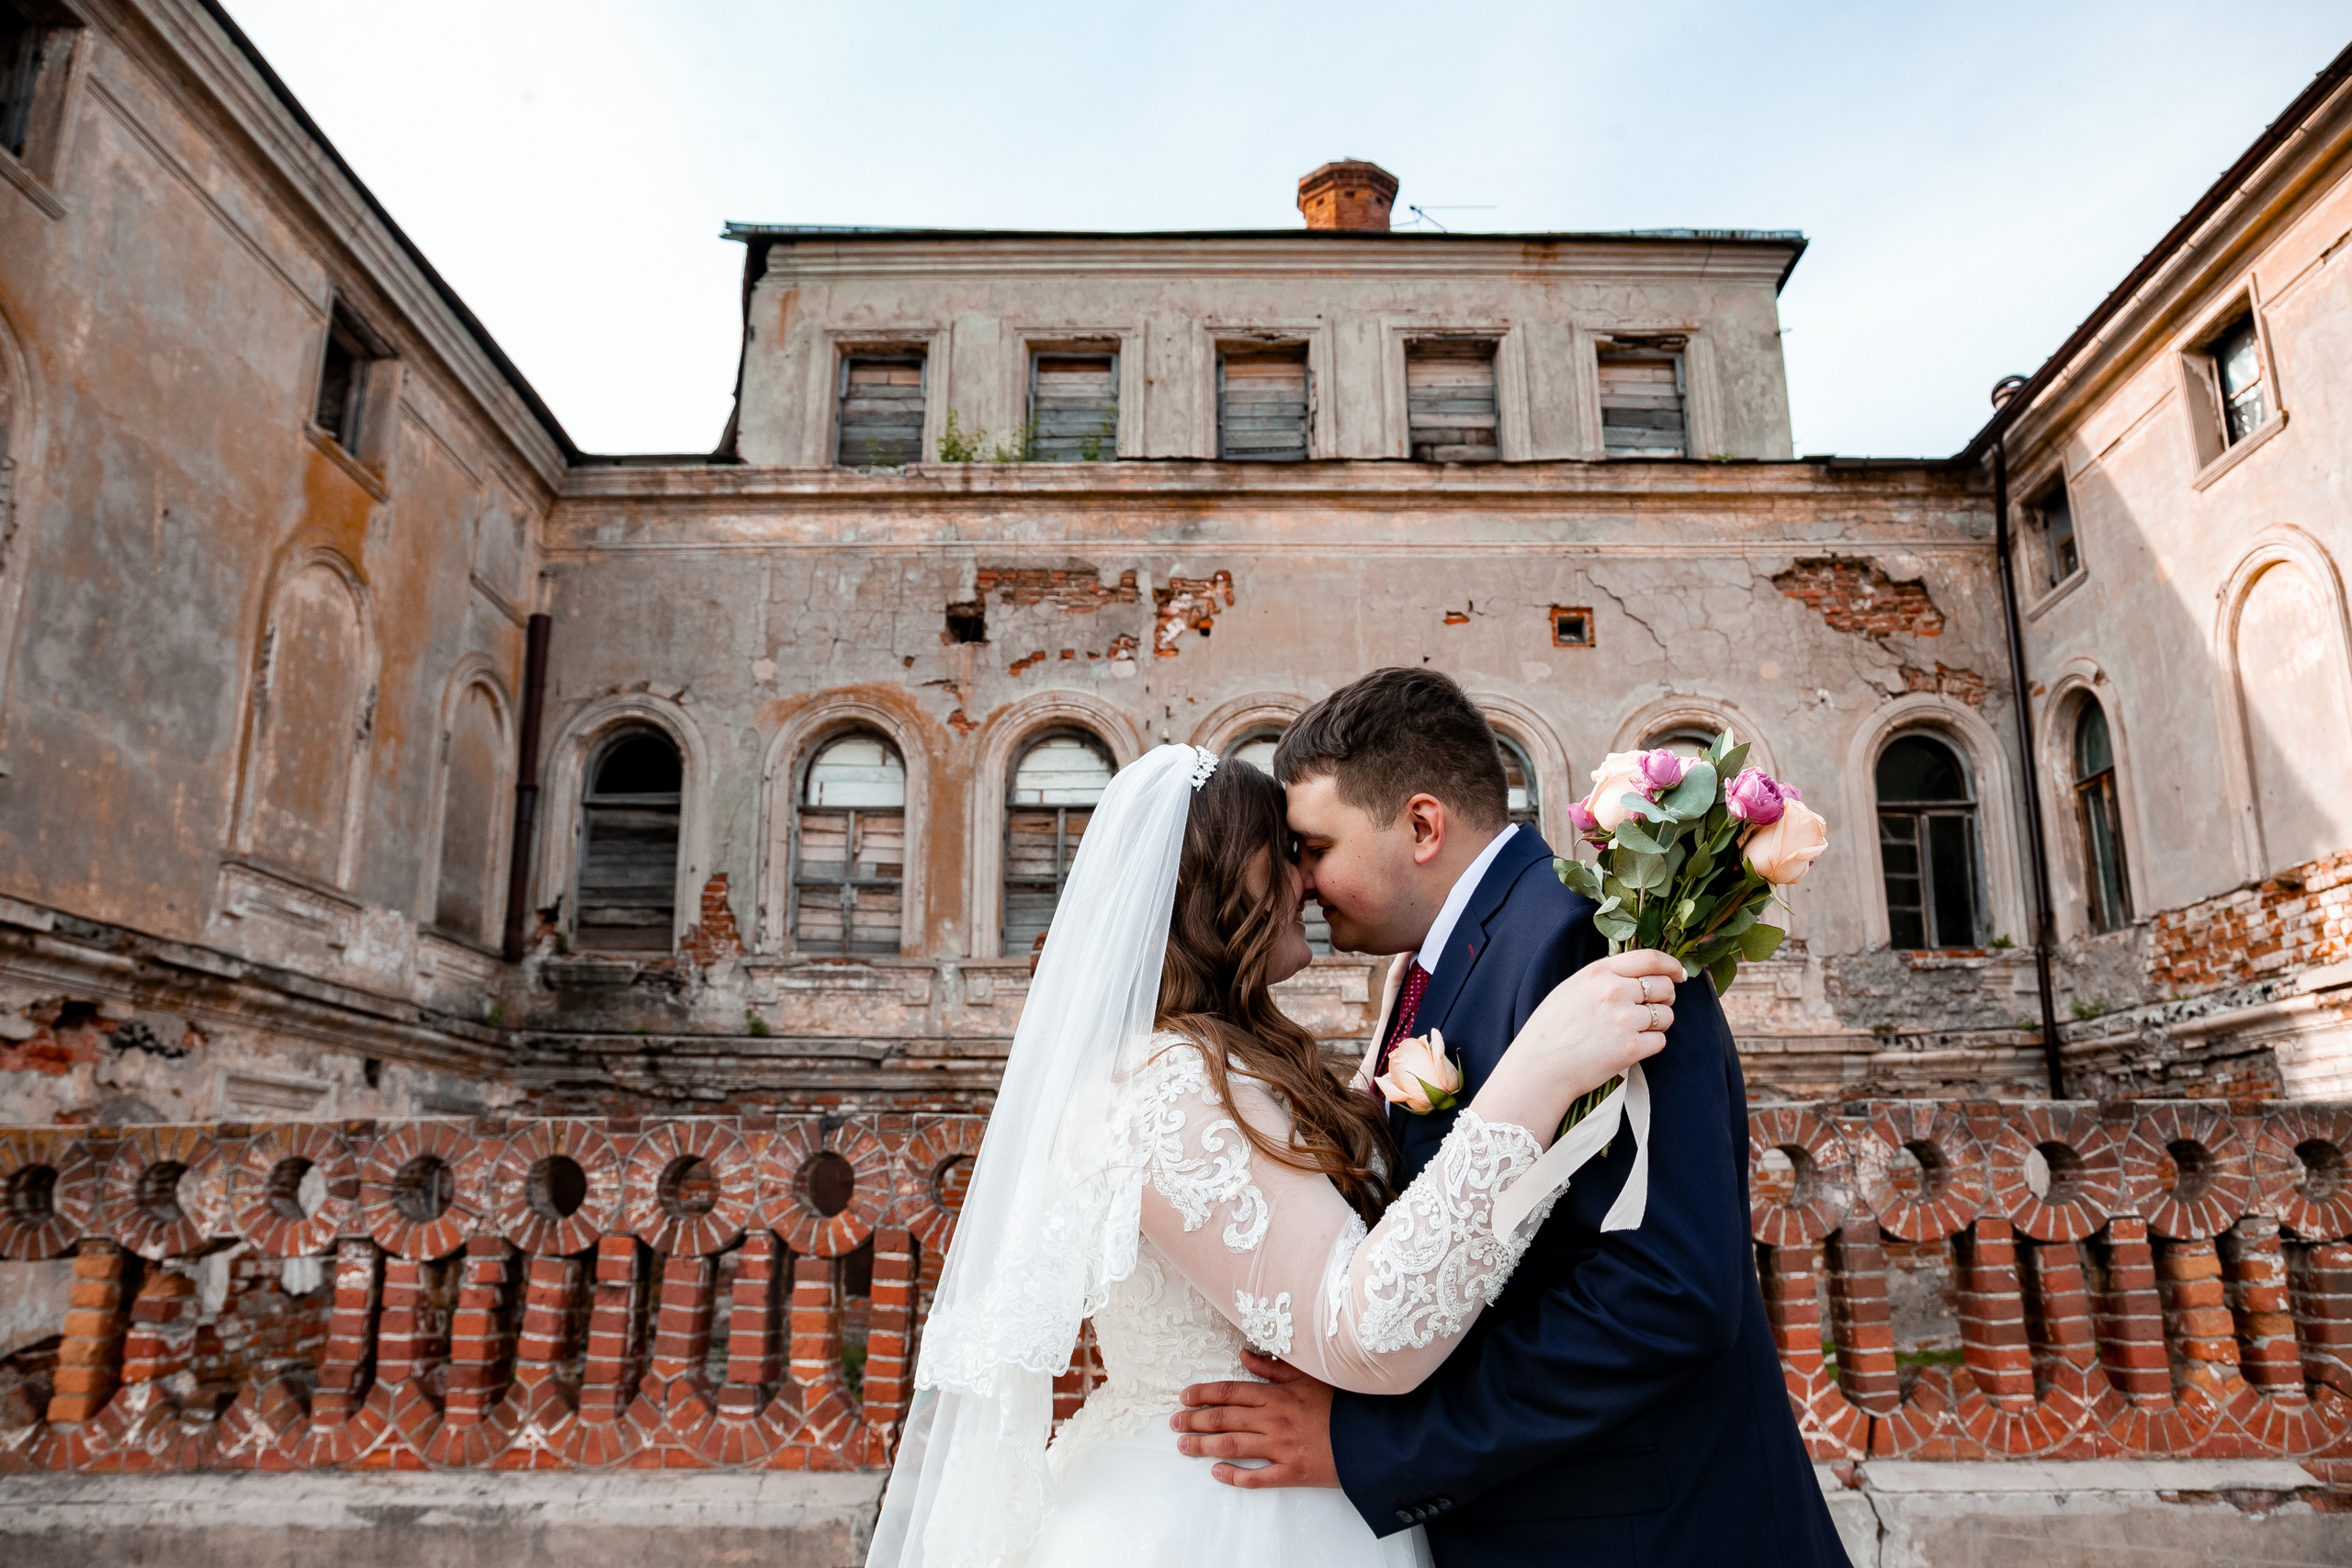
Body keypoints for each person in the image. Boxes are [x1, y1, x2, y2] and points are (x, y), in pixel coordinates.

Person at [866, 739, 1683, 1568]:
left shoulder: (1223, 1063)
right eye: (1288, 854)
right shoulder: (1160, 1084)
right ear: (1225, 880)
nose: (1308, 880)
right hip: (1208, 1512)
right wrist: (1538, 1074)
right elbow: (1366, 1328)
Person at [1170, 669, 1849, 1566]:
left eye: (1313, 846)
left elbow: (1664, 1290)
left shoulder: (1584, 939)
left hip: (1643, 1532)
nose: (1298, 882)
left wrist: (1374, 1444)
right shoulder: (1432, 968)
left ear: (1420, 825)